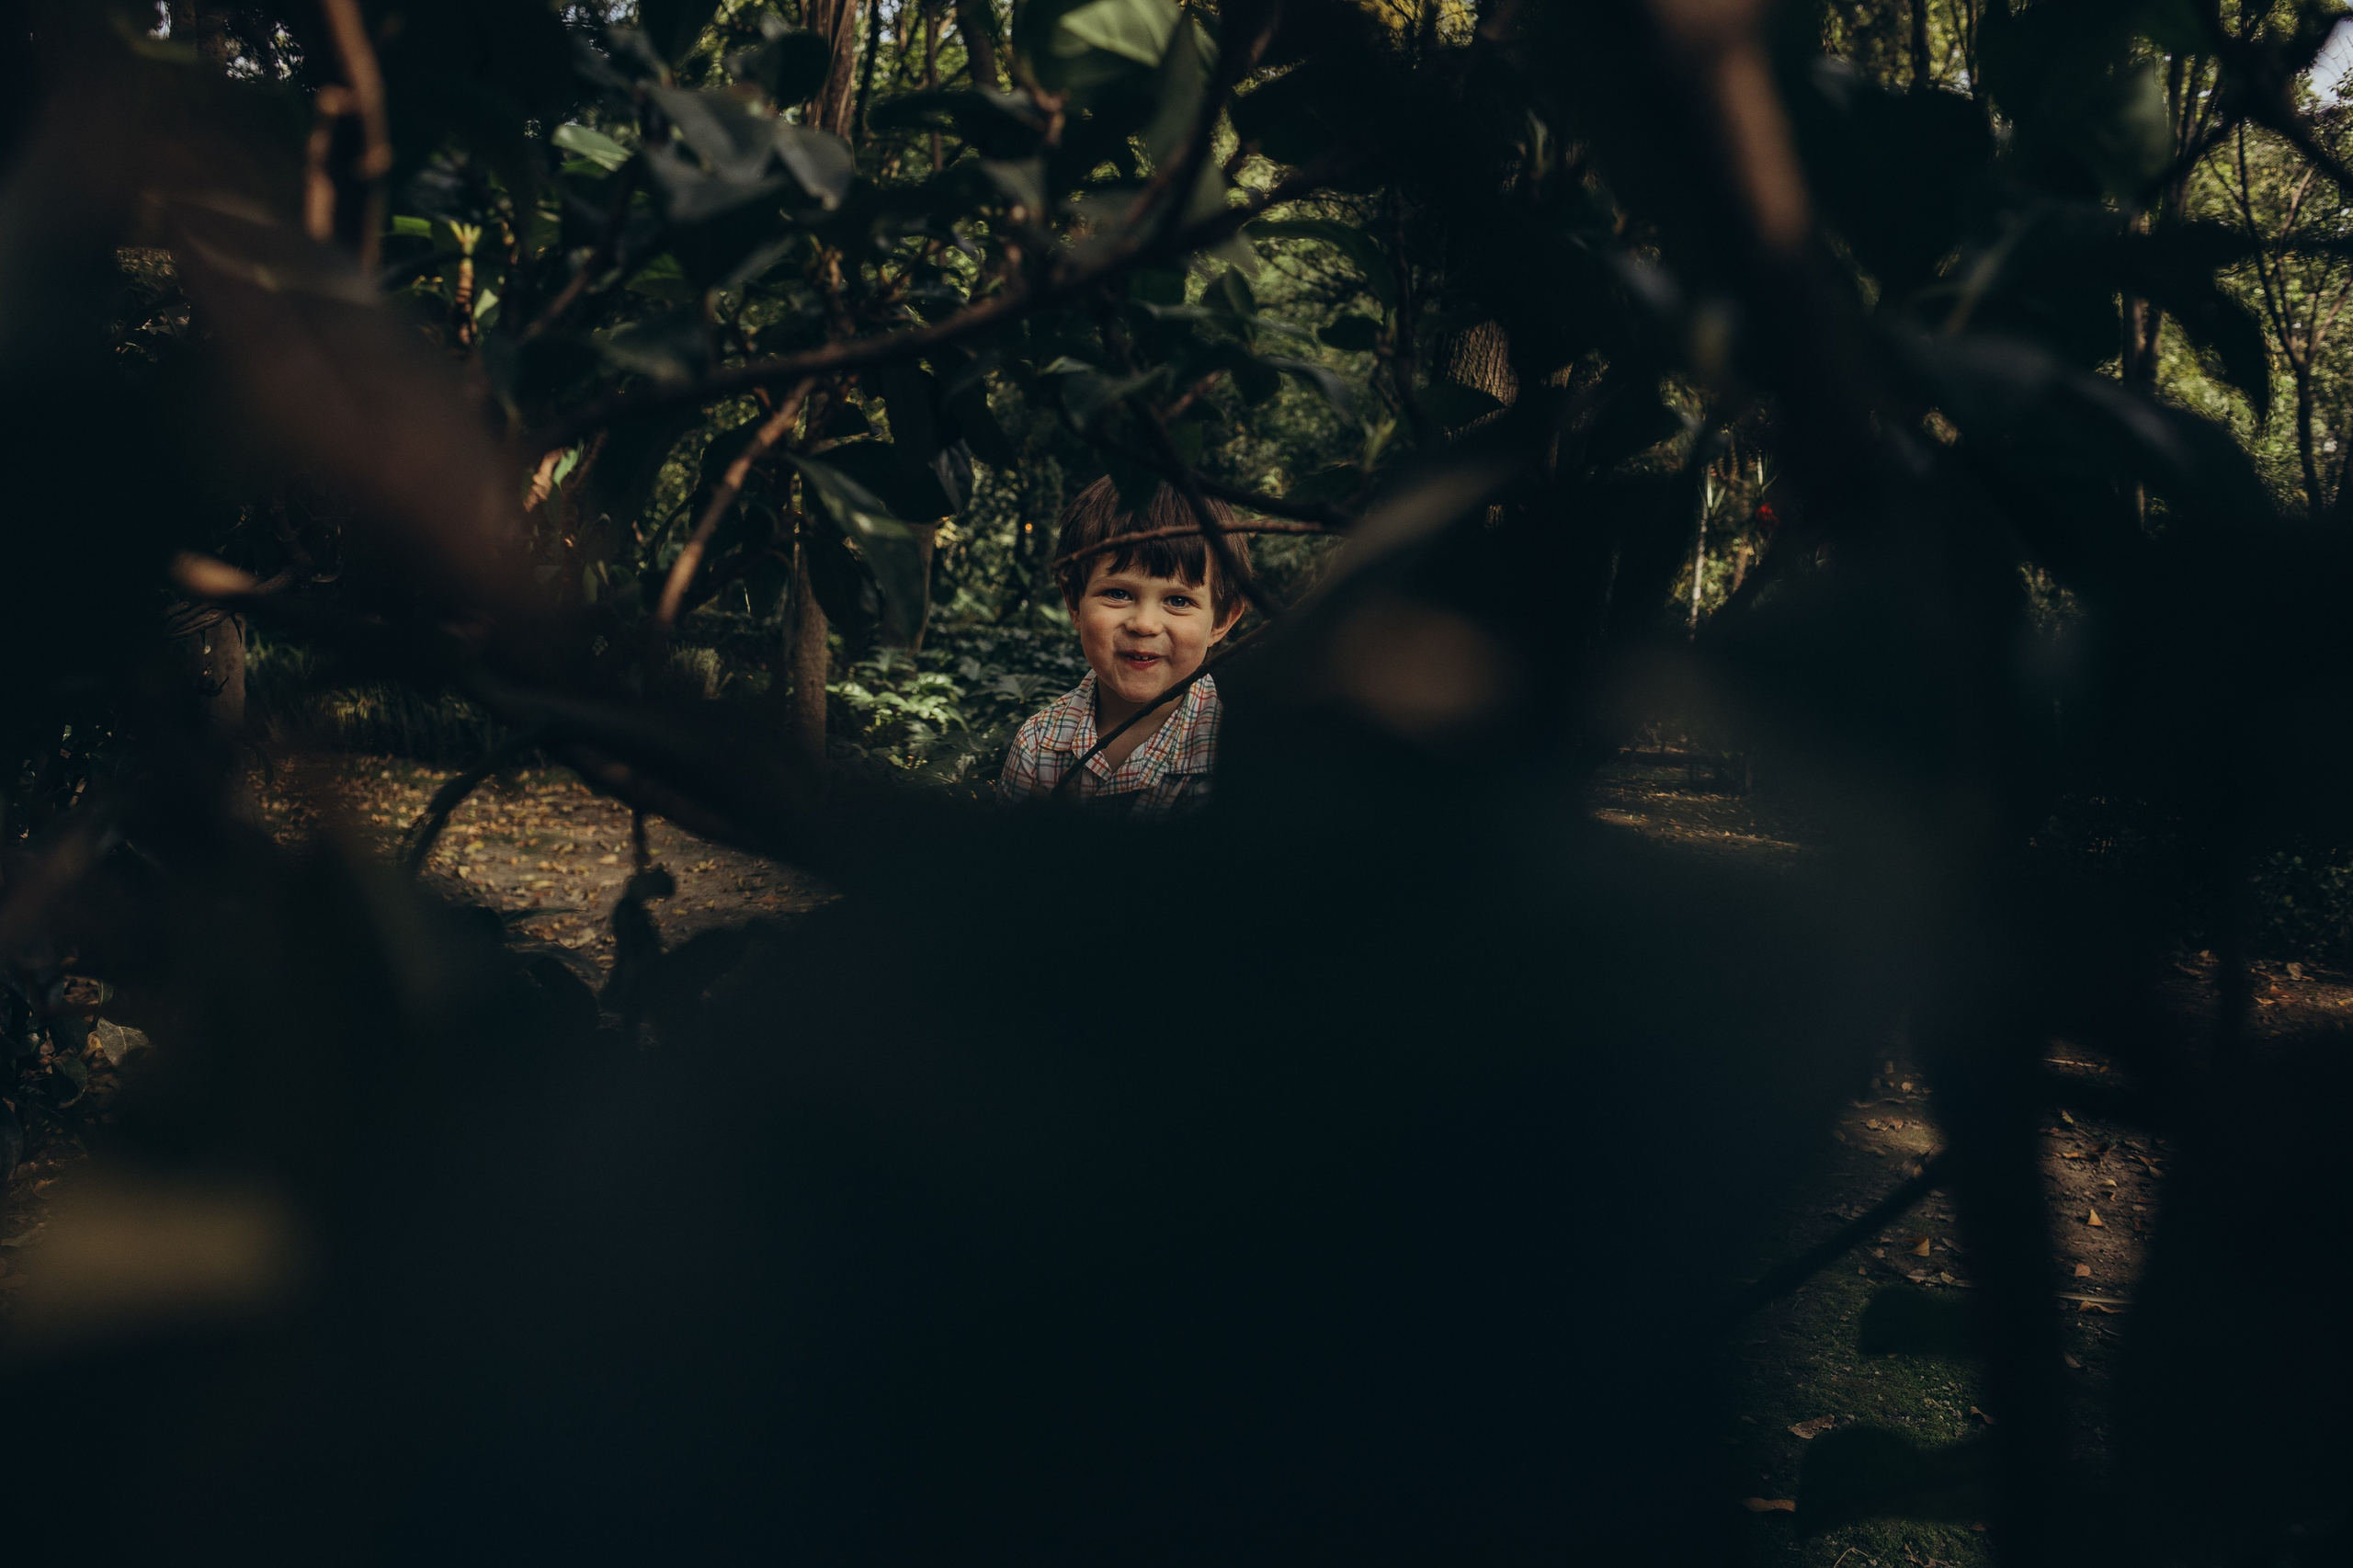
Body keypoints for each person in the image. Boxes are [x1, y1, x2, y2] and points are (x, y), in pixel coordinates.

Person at [998, 477, 1254, 819]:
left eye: (1178, 600)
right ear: (1074, 604)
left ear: (1222, 620)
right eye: (1118, 594)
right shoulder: (1038, 743)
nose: (1144, 624)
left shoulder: (1237, 760)